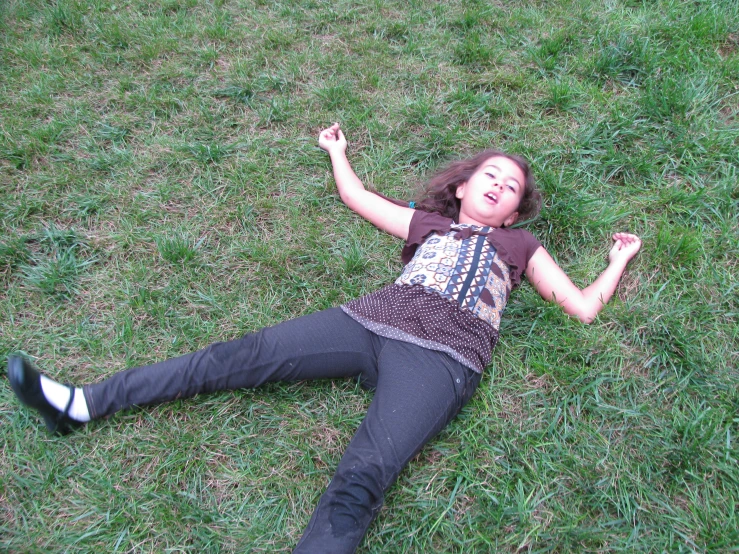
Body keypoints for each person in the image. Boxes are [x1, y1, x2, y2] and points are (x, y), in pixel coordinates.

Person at [8, 123, 642, 553]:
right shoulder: (424, 223)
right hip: (371, 319)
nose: (500, 187)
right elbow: (358, 197)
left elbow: (582, 308)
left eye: (511, 190)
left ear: (512, 213)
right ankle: (83, 404)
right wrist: (337, 150)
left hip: (445, 357)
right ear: (462, 187)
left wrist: (616, 260)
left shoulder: (520, 246)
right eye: (491, 176)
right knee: (234, 357)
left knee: (364, 474)